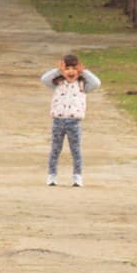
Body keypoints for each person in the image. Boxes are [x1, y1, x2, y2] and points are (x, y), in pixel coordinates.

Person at [42, 52, 92, 186]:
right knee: (55, 149)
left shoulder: (82, 84)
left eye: (74, 69)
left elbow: (97, 83)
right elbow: (44, 79)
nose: (70, 72)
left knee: (75, 150)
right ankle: (52, 175)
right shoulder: (58, 83)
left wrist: (84, 72)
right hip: (58, 121)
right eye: (67, 69)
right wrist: (58, 71)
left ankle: (77, 176)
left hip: (74, 122)